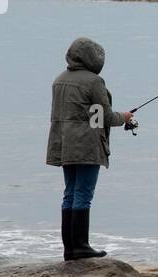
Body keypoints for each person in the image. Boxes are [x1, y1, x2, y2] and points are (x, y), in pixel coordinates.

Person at [46, 37, 132, 260]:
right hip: (86, 146)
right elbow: (102, 117)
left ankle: (70, 249)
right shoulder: (94, 82)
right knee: (83, 194)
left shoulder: (59, 80)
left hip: (64, 145)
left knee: (70, 194)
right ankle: (81, 246)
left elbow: (83, 115)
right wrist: (124, 117)